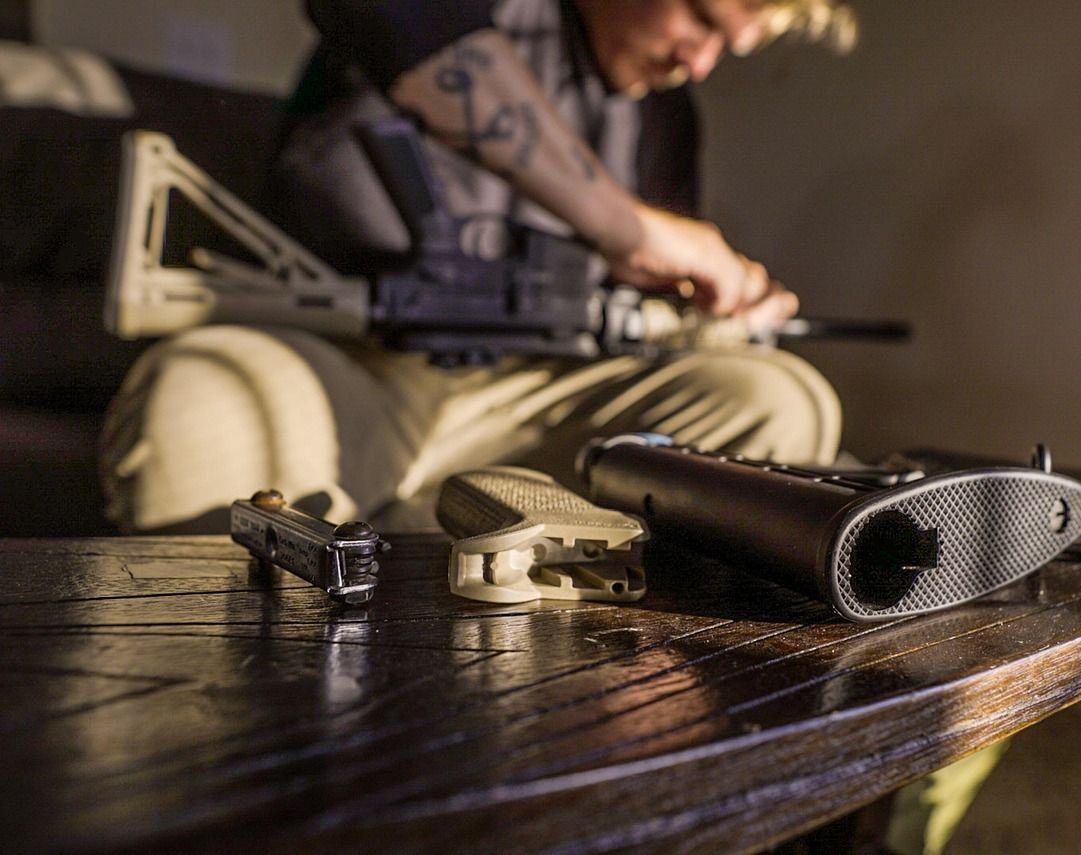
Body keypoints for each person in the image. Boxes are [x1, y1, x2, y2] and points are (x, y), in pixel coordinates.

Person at [99, 3, 1002, 853]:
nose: (700, 61)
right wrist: (626, 223)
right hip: (342, 362)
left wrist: (704, 313)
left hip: (535, 393)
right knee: (196, 413)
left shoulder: (663, 116)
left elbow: (636, 314)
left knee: (781, 398)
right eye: (700, 15)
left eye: (729, 46)